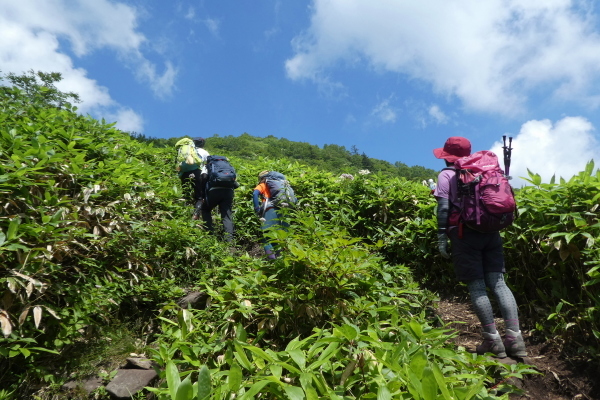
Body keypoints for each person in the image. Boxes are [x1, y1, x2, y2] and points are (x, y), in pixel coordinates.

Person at [433, 136, 526, 358]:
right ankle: (515, 339)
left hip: (465, 235)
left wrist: (441, 237)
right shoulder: (485, 172)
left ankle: (492, 341)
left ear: (446, 157)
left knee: (477, 287)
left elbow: (444, 209)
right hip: (491, 233)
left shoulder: (446, 175)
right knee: (499, 284)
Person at [200, 155, 239, 242]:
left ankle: (209, 235)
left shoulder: (208, 166)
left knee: (205, 209)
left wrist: (203, 196)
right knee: (227, 215)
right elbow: (234, 181)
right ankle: (229, 241)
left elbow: (203, 178)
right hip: (228, 192)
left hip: (214, 191)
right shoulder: (229, 166)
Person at [252, 170, 290, 259]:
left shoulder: (264, 184)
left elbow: (255, 194)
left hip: (270, 210)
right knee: (280, 236)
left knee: (267, 237)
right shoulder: (282, 184)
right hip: (283, 211)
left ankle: (272, 260)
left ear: (262, 178)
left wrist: (257, 209)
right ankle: (281, 259)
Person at [175, 137, 208, 209]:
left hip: (184, 173)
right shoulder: (204, 152)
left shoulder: (186, 150)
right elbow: (209, 163)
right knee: (199, 197)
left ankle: (183, 213)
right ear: (202, 144)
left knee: (186, 194)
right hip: (197, 172)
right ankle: (196, 214)